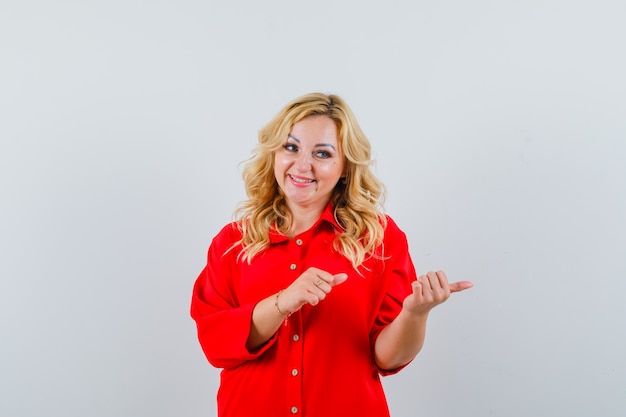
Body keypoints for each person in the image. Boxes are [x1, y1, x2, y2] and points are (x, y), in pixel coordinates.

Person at [190, 92, 473, 417]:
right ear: (274, 153)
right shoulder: (233, 241)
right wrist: (284, 302)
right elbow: (215, 346)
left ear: (344, 167)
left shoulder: (380, 240)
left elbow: (386, 358)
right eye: (291, 147)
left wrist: (415, 314)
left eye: (322, 153)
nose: (302, 165)